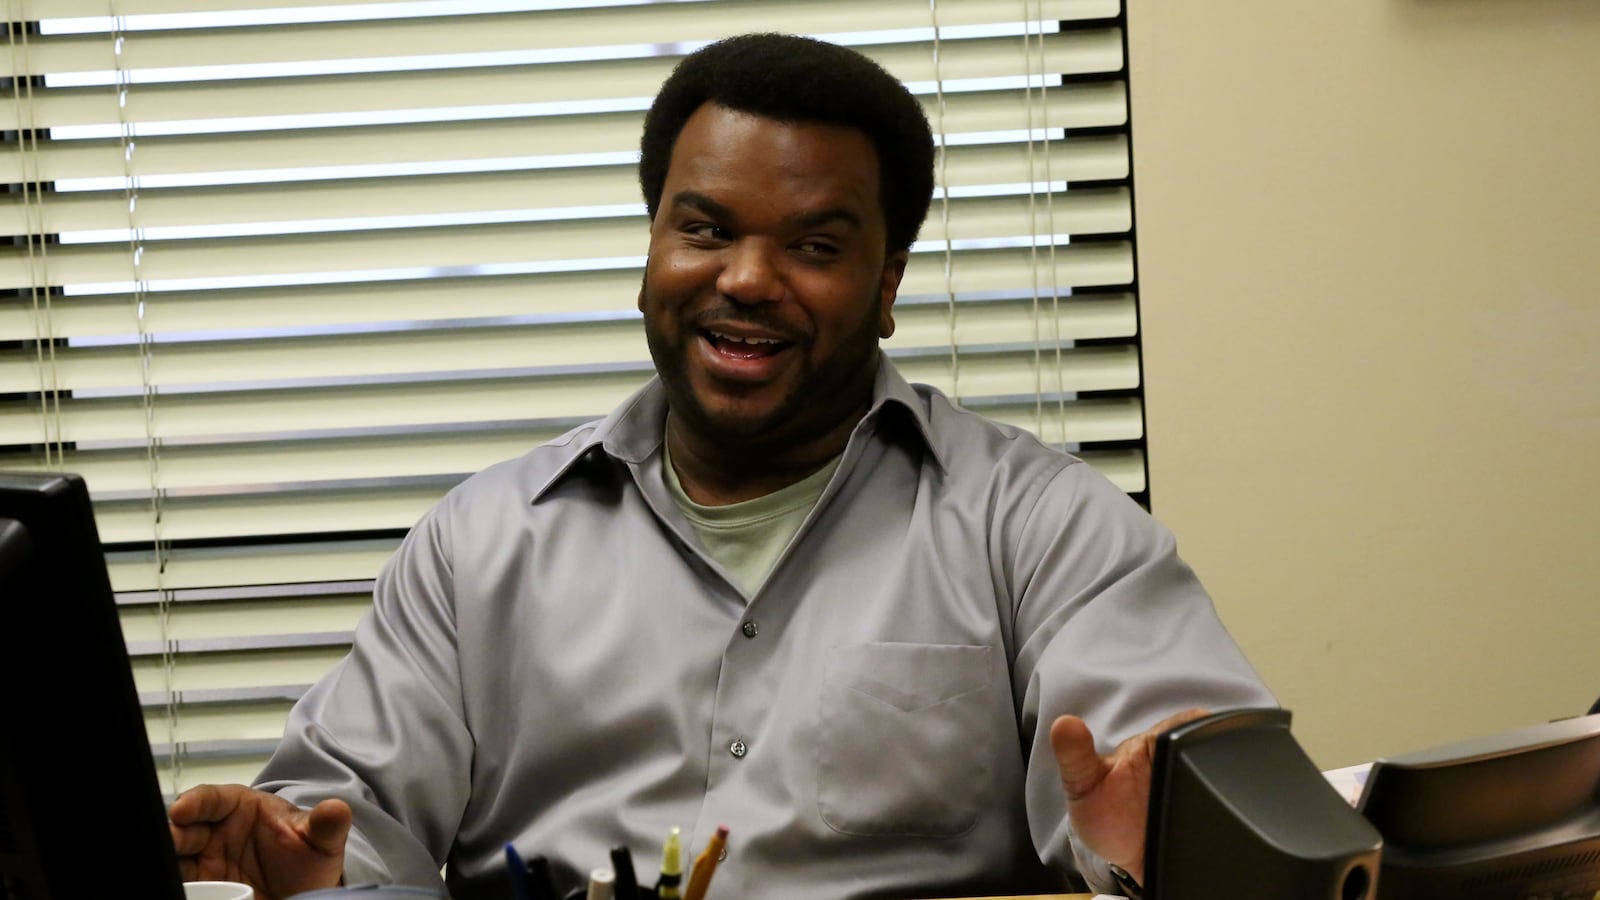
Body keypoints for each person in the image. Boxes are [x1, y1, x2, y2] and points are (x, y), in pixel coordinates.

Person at [167, 32, 1274, 900]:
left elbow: (1184, 793)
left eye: (813, 247)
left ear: (887, 285)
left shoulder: (1038, 525)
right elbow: (343, 821)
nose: (745, 280)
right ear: (650, 249)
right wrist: (310, 867)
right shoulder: (477, 546)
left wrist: (1164, 843)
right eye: (703, 230)